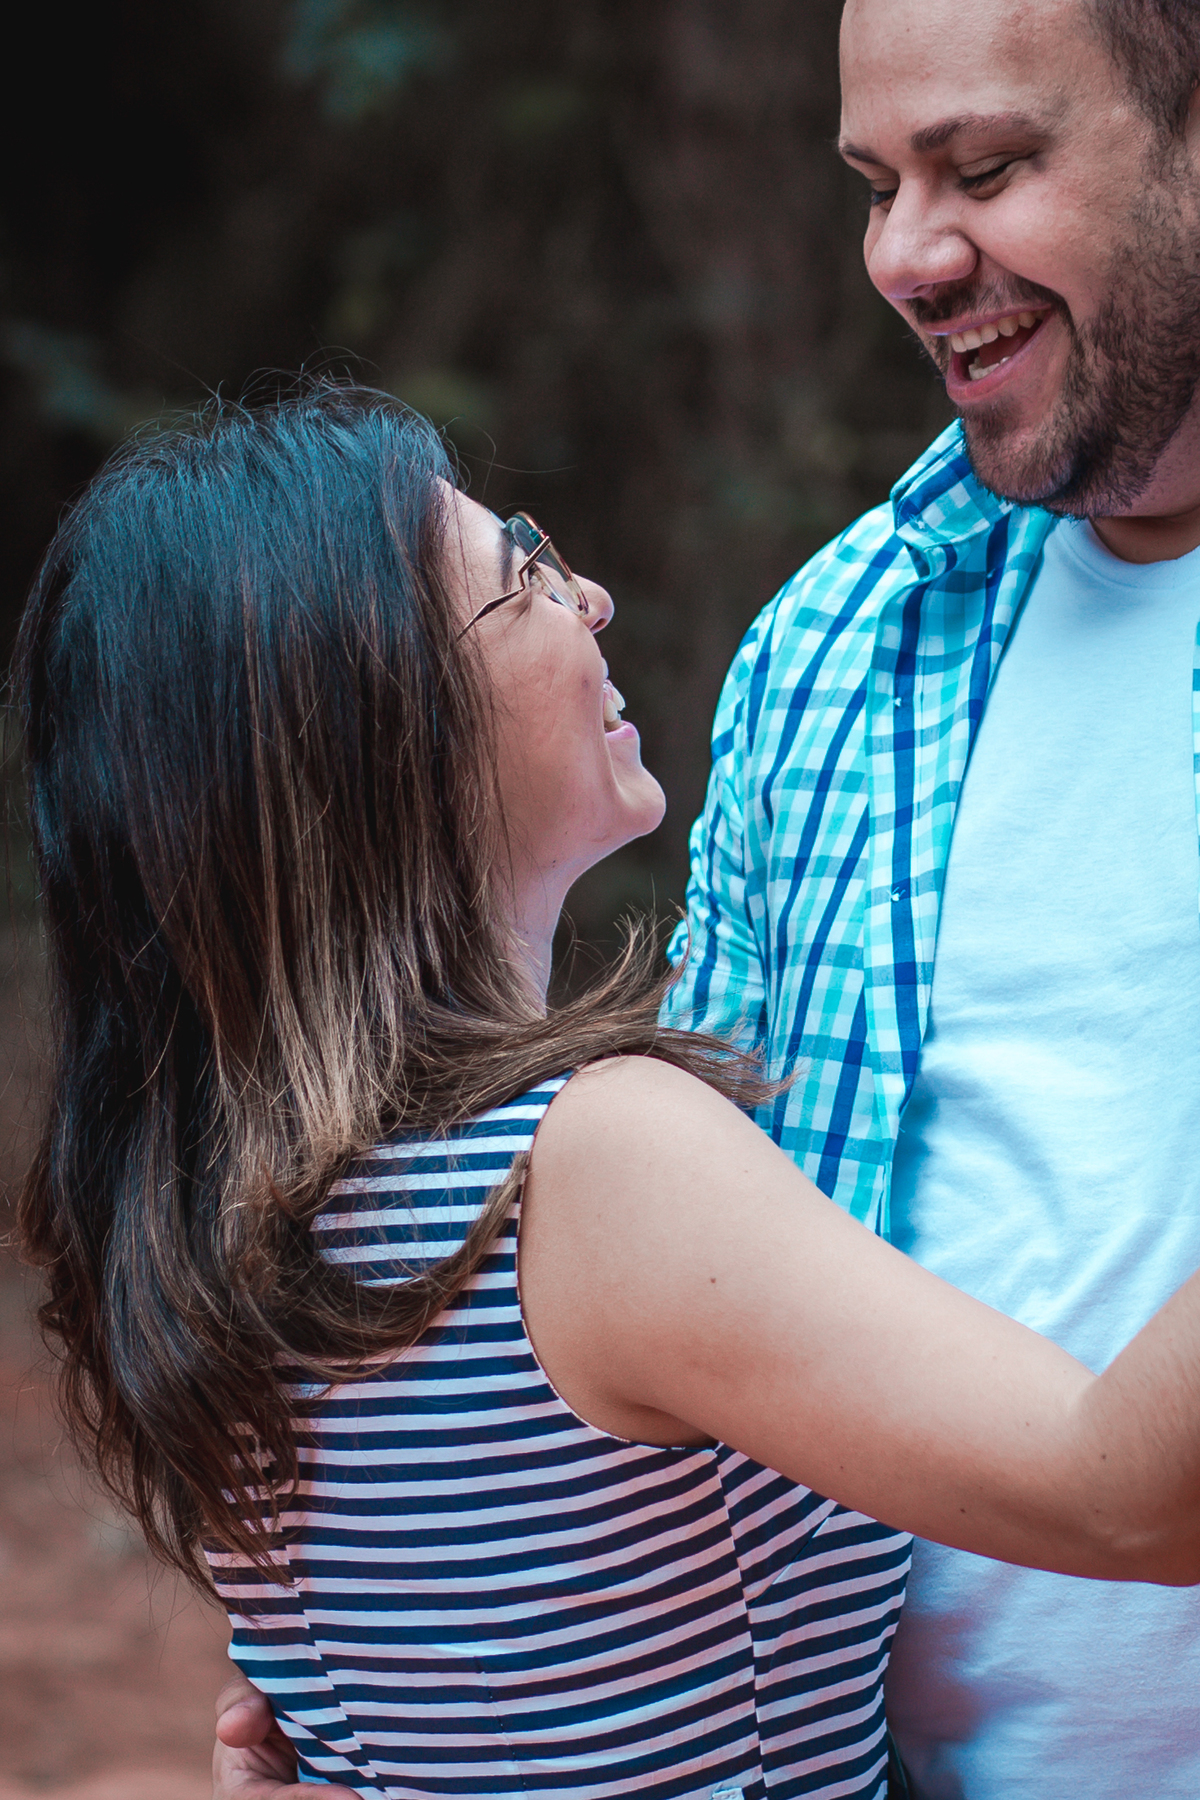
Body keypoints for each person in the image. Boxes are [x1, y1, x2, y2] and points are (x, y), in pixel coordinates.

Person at [211, 2, 1200, 1797]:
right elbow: (700, 1296)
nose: (905, 255)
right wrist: (405, 1664)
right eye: (877, 184)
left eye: (985, 167)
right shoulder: (834, 648)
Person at [20, 386, 1200, 1800]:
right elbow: (1130, 1497)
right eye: (520, 572)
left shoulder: (216, 1231)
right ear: (384, 724)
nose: (589, 597)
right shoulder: (589, 1170)